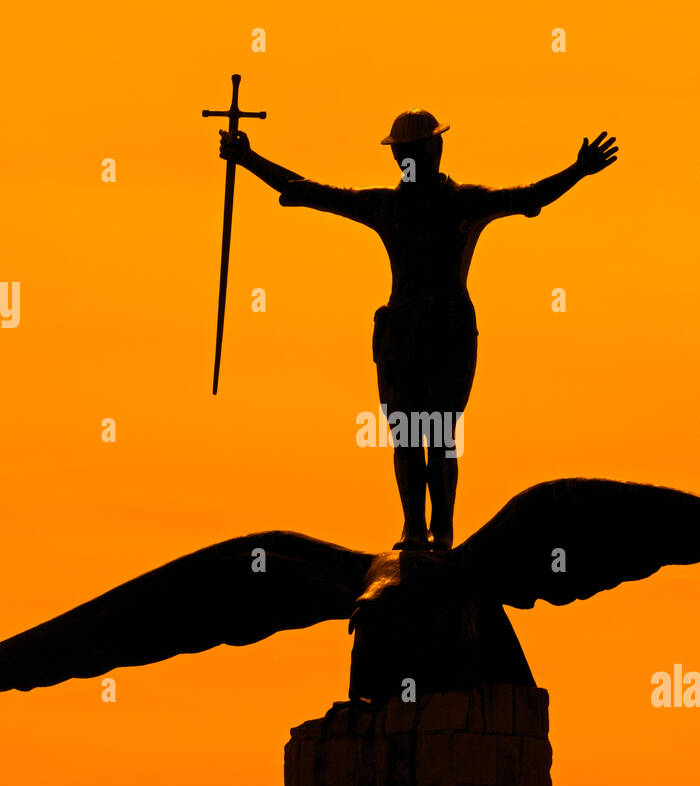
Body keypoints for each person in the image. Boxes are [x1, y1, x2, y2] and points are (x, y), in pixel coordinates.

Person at [220, 109, 617, 550]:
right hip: (402, 334)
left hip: (447, 332)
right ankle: (413, 527)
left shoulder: (462, 203)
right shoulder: (389, 206)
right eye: (402, 154)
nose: (407, 160)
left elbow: (529, 196)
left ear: (435, 149)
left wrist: (578, 171)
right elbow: (309, 192)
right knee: (408, 433)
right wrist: (250, 160)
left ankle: (442, 529)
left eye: (413, 151)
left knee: (441, 432)